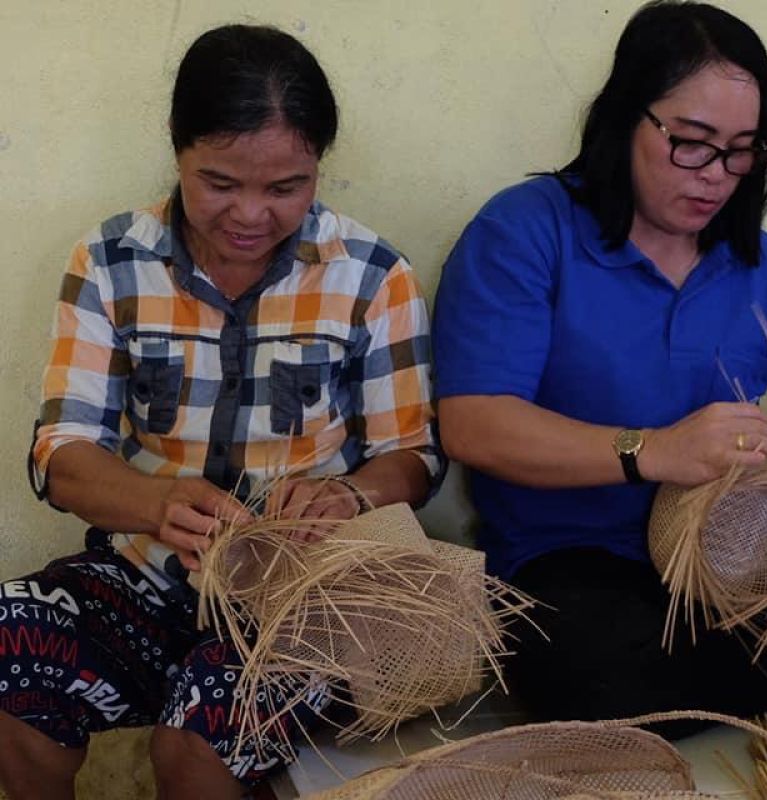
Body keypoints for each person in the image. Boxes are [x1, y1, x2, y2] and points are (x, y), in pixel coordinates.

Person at [433, 0, 767, 733]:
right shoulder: (527, 231)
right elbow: (474, 424)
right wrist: (653, 450)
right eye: (692, 143)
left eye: (742, 150)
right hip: (570, 559)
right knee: (591, 675)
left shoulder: (763, 269)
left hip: (741, 550)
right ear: (627, 116)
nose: (717, 175)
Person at [0, 25, 440, 800]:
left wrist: (350, 495)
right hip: (143, 578)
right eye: (220, 182)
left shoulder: (372, 275)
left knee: (198, 736)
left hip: (297, 598)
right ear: (177, 151)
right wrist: (157, 502)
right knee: (10, 648)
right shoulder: (109, 262)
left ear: (317, 170)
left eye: (285, 188)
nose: (250, 215)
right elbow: (61, 455)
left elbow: (413, 454)